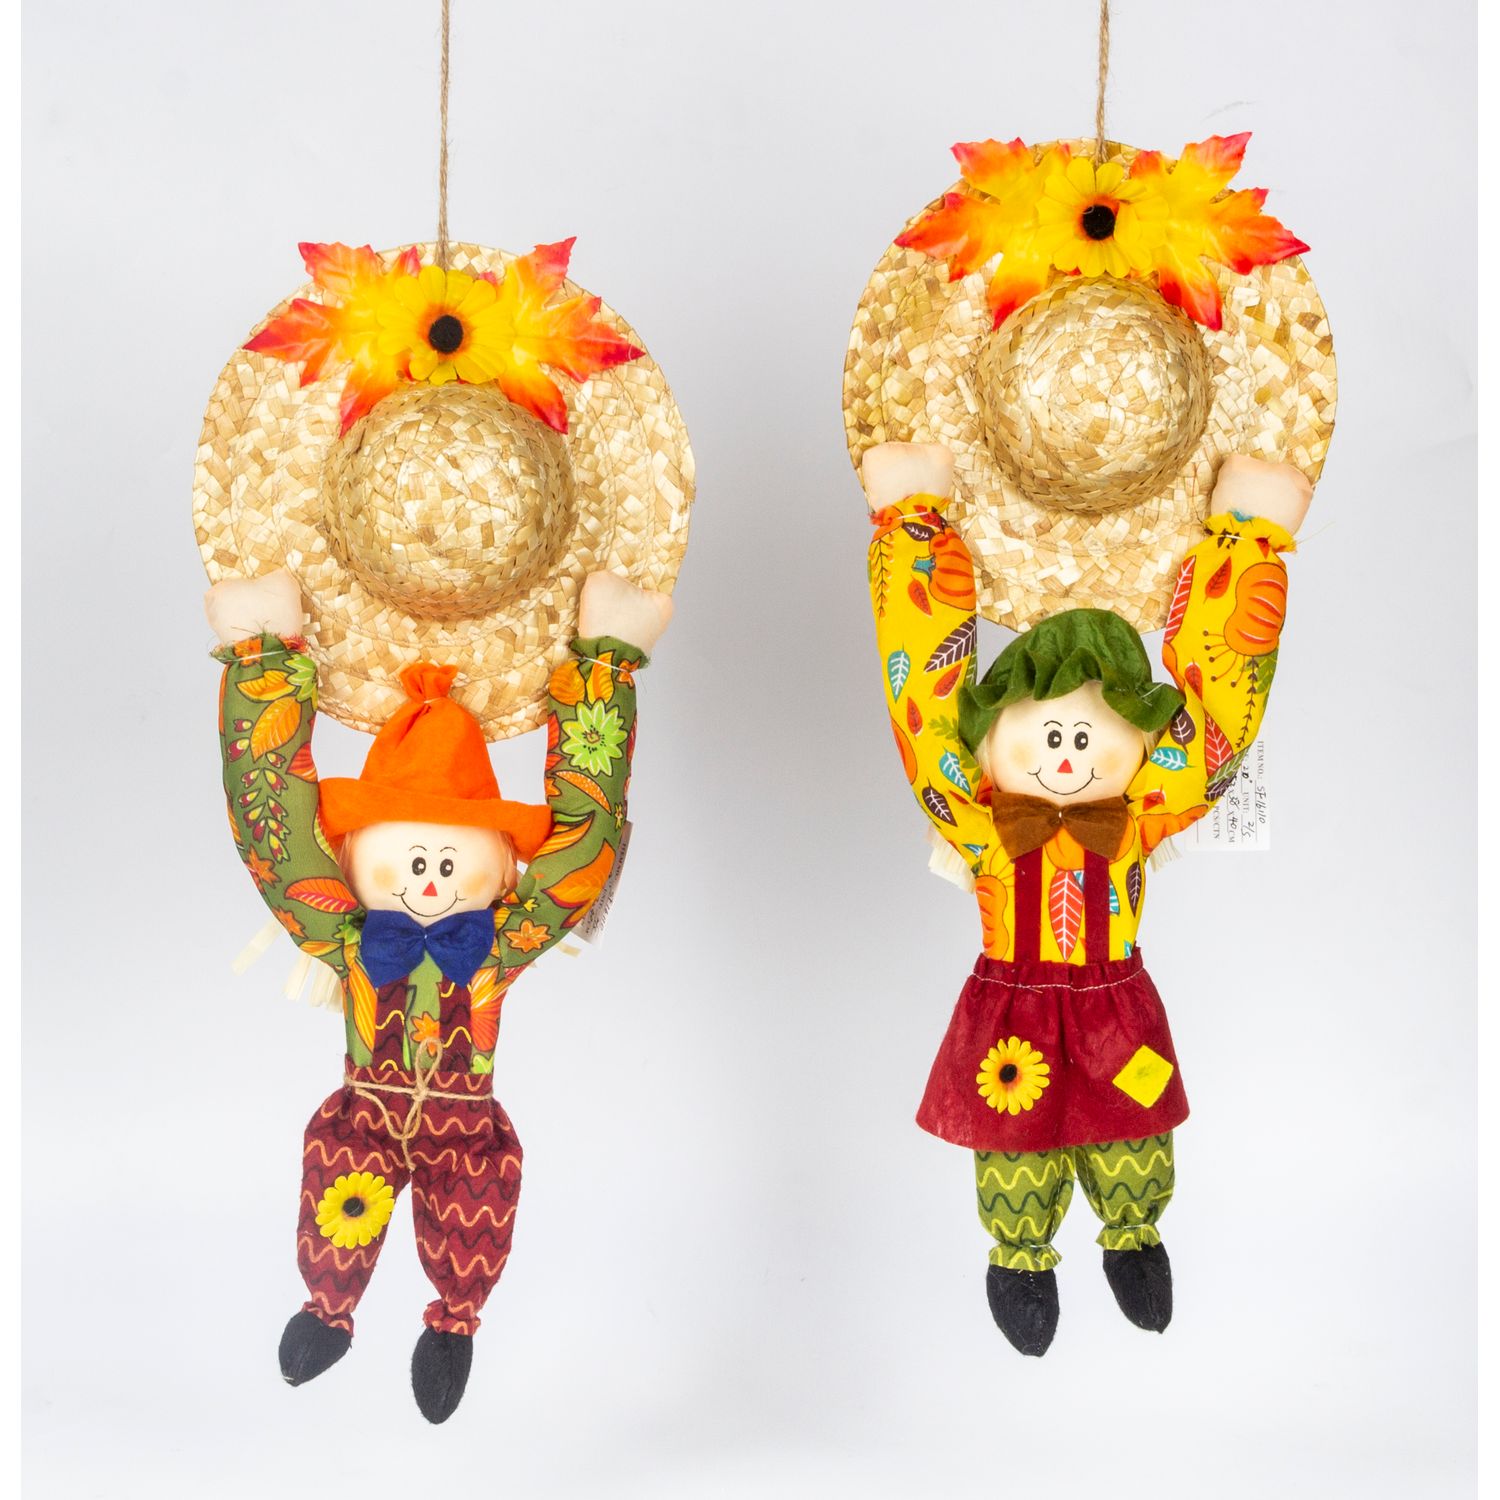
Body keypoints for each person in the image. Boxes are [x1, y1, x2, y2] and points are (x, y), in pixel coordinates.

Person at [861, 441, 1311, 1355]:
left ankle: (1133, 1236)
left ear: (1139, 745)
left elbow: (1213, 738)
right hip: (1014, 1014)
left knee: (1133, 1129)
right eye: (1046, 735)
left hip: (1114, 1007)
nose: (1066, 757)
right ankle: (1020, 1259)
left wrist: (1247, 549)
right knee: (1014, 1139)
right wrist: (915, 533)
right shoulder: (981, 819)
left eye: (1087, 736)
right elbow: (925, 717)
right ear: (991, 744)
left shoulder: (1139, 814)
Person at [206, 567, 671, 1420]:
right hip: (366, 1116)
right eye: (412, 860)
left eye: (451, 862)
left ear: (497, 869)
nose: (428, 880)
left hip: (465, 1128)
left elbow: (582, 854)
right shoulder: (350, 938)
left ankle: (454, 1322)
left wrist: (605, 668)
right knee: (338, 1199)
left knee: (475, 1213)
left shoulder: (495, 947)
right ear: (357, 862)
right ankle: (328, 1309)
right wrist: (262, 661)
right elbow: (277, 844)